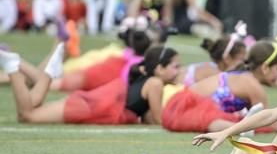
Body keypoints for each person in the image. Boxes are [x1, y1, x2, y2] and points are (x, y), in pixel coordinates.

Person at [0, 43, 178, 125]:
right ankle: (13, 67)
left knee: (32, 108)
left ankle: (47, 74)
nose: (179, 71)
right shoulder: (155, 84)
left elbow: (145, 117)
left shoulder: (146, 80)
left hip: (92, 104)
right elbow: (158, 120)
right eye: (175, 67)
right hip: (90, 108)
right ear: (160, 69)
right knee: (27, 116)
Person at [162, 40, 277, 133]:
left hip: (177, 105)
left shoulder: (243, 75)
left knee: (234, 121)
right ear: (265, 68)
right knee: (227, 123)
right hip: (186, 108)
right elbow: (266, 120)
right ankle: (238, 131)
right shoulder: (253, 85)